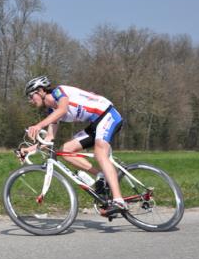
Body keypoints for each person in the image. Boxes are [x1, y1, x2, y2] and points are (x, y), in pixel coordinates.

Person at [22, 76, 127, 215]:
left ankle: (119, 201)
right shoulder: (52, 112)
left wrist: (39, 125)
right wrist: (27, 150)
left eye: (31, 96)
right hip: (95, 122)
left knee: (100, 153)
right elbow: (49, 139)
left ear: (41, 91)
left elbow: (63, 109)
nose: (30, 101)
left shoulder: (59, 92)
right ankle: (102, 175)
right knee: (65, 151)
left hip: (107, 114)